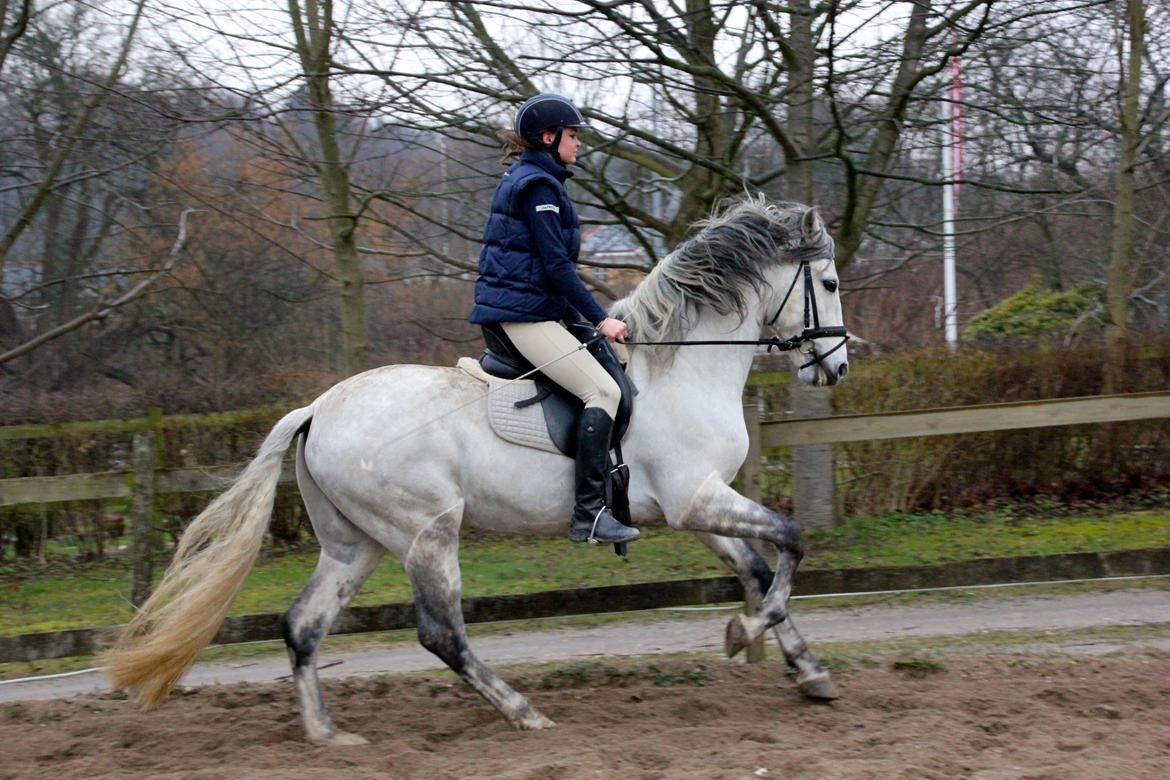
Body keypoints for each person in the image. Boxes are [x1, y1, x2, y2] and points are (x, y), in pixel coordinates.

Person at [470, 93, 639, 546]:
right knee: (602, 391)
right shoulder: (538, 188)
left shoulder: (539, 180)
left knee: (619, 360)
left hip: (539, 309)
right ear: (549, 138)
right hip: (522, 318)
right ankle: (590, 514)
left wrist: (584, 323)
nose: (578, 143)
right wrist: (600, 319)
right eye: (573, 135)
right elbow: (557, 267)